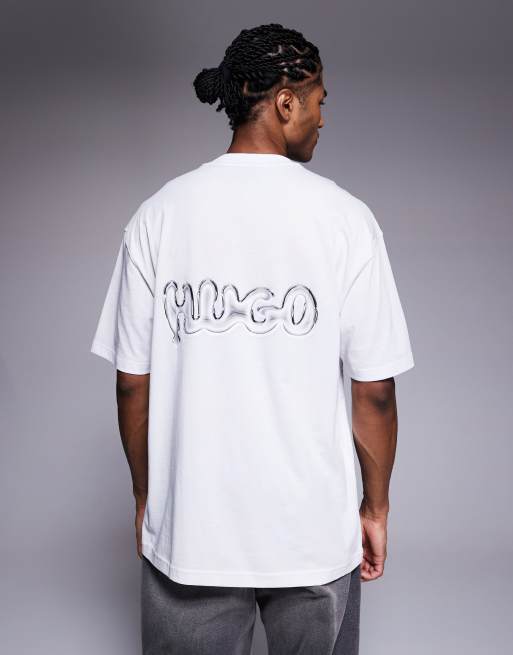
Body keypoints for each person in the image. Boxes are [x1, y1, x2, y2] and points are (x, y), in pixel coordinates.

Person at [90, 22, 414, 655]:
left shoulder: (158, 216)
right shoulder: (347, 220)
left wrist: (147, 497)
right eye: (319, 100)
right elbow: (374, 392)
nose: (323, 117)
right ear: (286, 102)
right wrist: (375, 510)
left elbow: (132, 384)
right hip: (313, 536)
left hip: (193, 534)